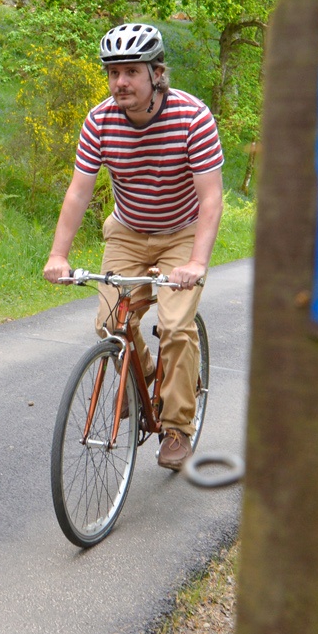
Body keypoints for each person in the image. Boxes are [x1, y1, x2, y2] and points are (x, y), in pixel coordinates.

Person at [42, 23, 223, 471]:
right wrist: (57, 254)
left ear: (156, 74)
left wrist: (198, 261)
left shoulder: (192, 117)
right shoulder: (100, 120)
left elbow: (211, 199)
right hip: (127, 230)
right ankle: (139, 383)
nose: (119, 82)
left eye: (131, 72)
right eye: (113, 72)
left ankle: (178, 426)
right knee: (109, 323)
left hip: (181, 232)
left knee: (177, 327)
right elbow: (79, 193)